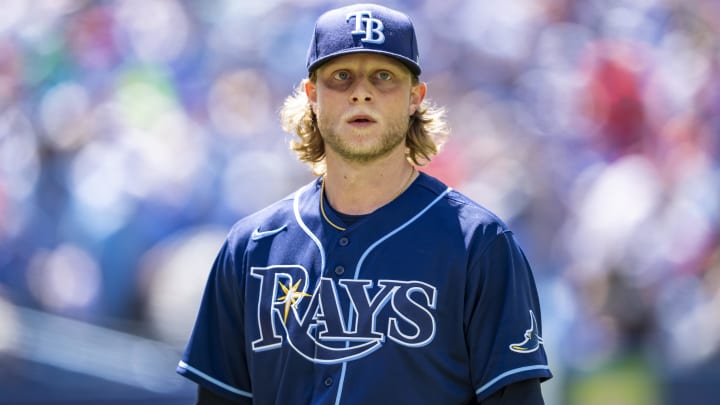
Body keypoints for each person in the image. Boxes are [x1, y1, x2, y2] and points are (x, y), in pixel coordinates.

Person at [177, 3, 552, 404]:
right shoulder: (252, 247)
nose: (361, 92)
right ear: (312, 96)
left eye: (384, 76)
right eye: (341, 76)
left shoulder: (478, 244)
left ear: (414, 97)